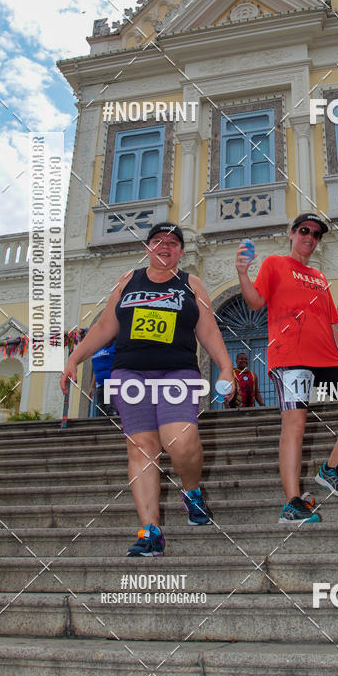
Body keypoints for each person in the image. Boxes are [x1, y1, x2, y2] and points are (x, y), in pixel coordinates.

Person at [60, 222, 234, 556]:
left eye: (172, 242)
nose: (164, 247)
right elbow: (105, 326)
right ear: (147, 248)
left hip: (177, 371)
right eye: (157, 241)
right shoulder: (129, 281)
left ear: (181, 251)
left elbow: (209, 331)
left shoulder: (191, 284)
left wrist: (225, 367)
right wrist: (75, 358)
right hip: (129, 373)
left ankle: (192, 492)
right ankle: (150, 531)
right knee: (141, 448)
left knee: (179, 440)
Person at [235, 213, 338, 524]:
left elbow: (333, 324)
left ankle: (331, 468)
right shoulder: (274, 263)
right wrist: (243, 274)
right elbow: (256, 302)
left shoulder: (319, 277)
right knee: (295, 424)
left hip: (329, 357)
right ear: (291, 233)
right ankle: (292, 502)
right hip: (290, 356)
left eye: (316, 234)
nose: (310, 237)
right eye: (304, 231)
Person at [89, 340, 116, 417]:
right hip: (99, 384)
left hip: (110, 382)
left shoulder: (114, 346)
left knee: (110, 409)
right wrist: (91, 387)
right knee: (102, 409)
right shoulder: (97, 350)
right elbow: (95, 370)